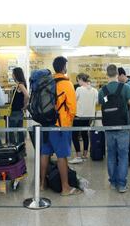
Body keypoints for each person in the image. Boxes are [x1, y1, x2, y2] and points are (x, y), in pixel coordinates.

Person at [40, 56, 81, 196]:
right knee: (61, 156)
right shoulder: (66, 83)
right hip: (60, 125)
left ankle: (41, 184)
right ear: (64, 67)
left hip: (46, 124)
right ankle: (65, 188)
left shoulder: (48, 82)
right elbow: (73, 108)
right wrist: (67, 123)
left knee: (45, 153)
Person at [99, 64, 130, 193]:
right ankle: (121, 185)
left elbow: (103, 106)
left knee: (111, 155)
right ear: (117, 74)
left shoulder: (102, 91)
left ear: (106, 74)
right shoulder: (125, 87)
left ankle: (112, 182)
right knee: (123, 155)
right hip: (123, 127)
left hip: (109, 127)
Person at [69, 73, 98, 164]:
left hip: (79, 116)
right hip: (89, 116)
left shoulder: (79, 89)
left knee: (75, 135)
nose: (78, 82)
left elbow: (73, 100)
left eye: (78, 80)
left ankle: (78, 156)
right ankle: (85, 155)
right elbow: (97, 102)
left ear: (81, 79)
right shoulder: (94, 90)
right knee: (85, 134)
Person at [118, 67, 130, 166]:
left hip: (128, 114)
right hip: (126, 114)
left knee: (128, 136)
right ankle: (127, 158)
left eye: (118, 76)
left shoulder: (129, 85)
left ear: (121, 75)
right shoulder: (127, 85)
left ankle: (129, 158)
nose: (117, 79)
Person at [9, 67, 29, 144]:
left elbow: (27, 95)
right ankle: (20, 149)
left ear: (16, 75)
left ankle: (14, 147)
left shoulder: (20, 84)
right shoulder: (20, 84)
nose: (12, 75)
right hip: (18, 111)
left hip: (16, 111)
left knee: (12, 131)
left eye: (13, 74)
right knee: (19, 130)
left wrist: (24, 105)